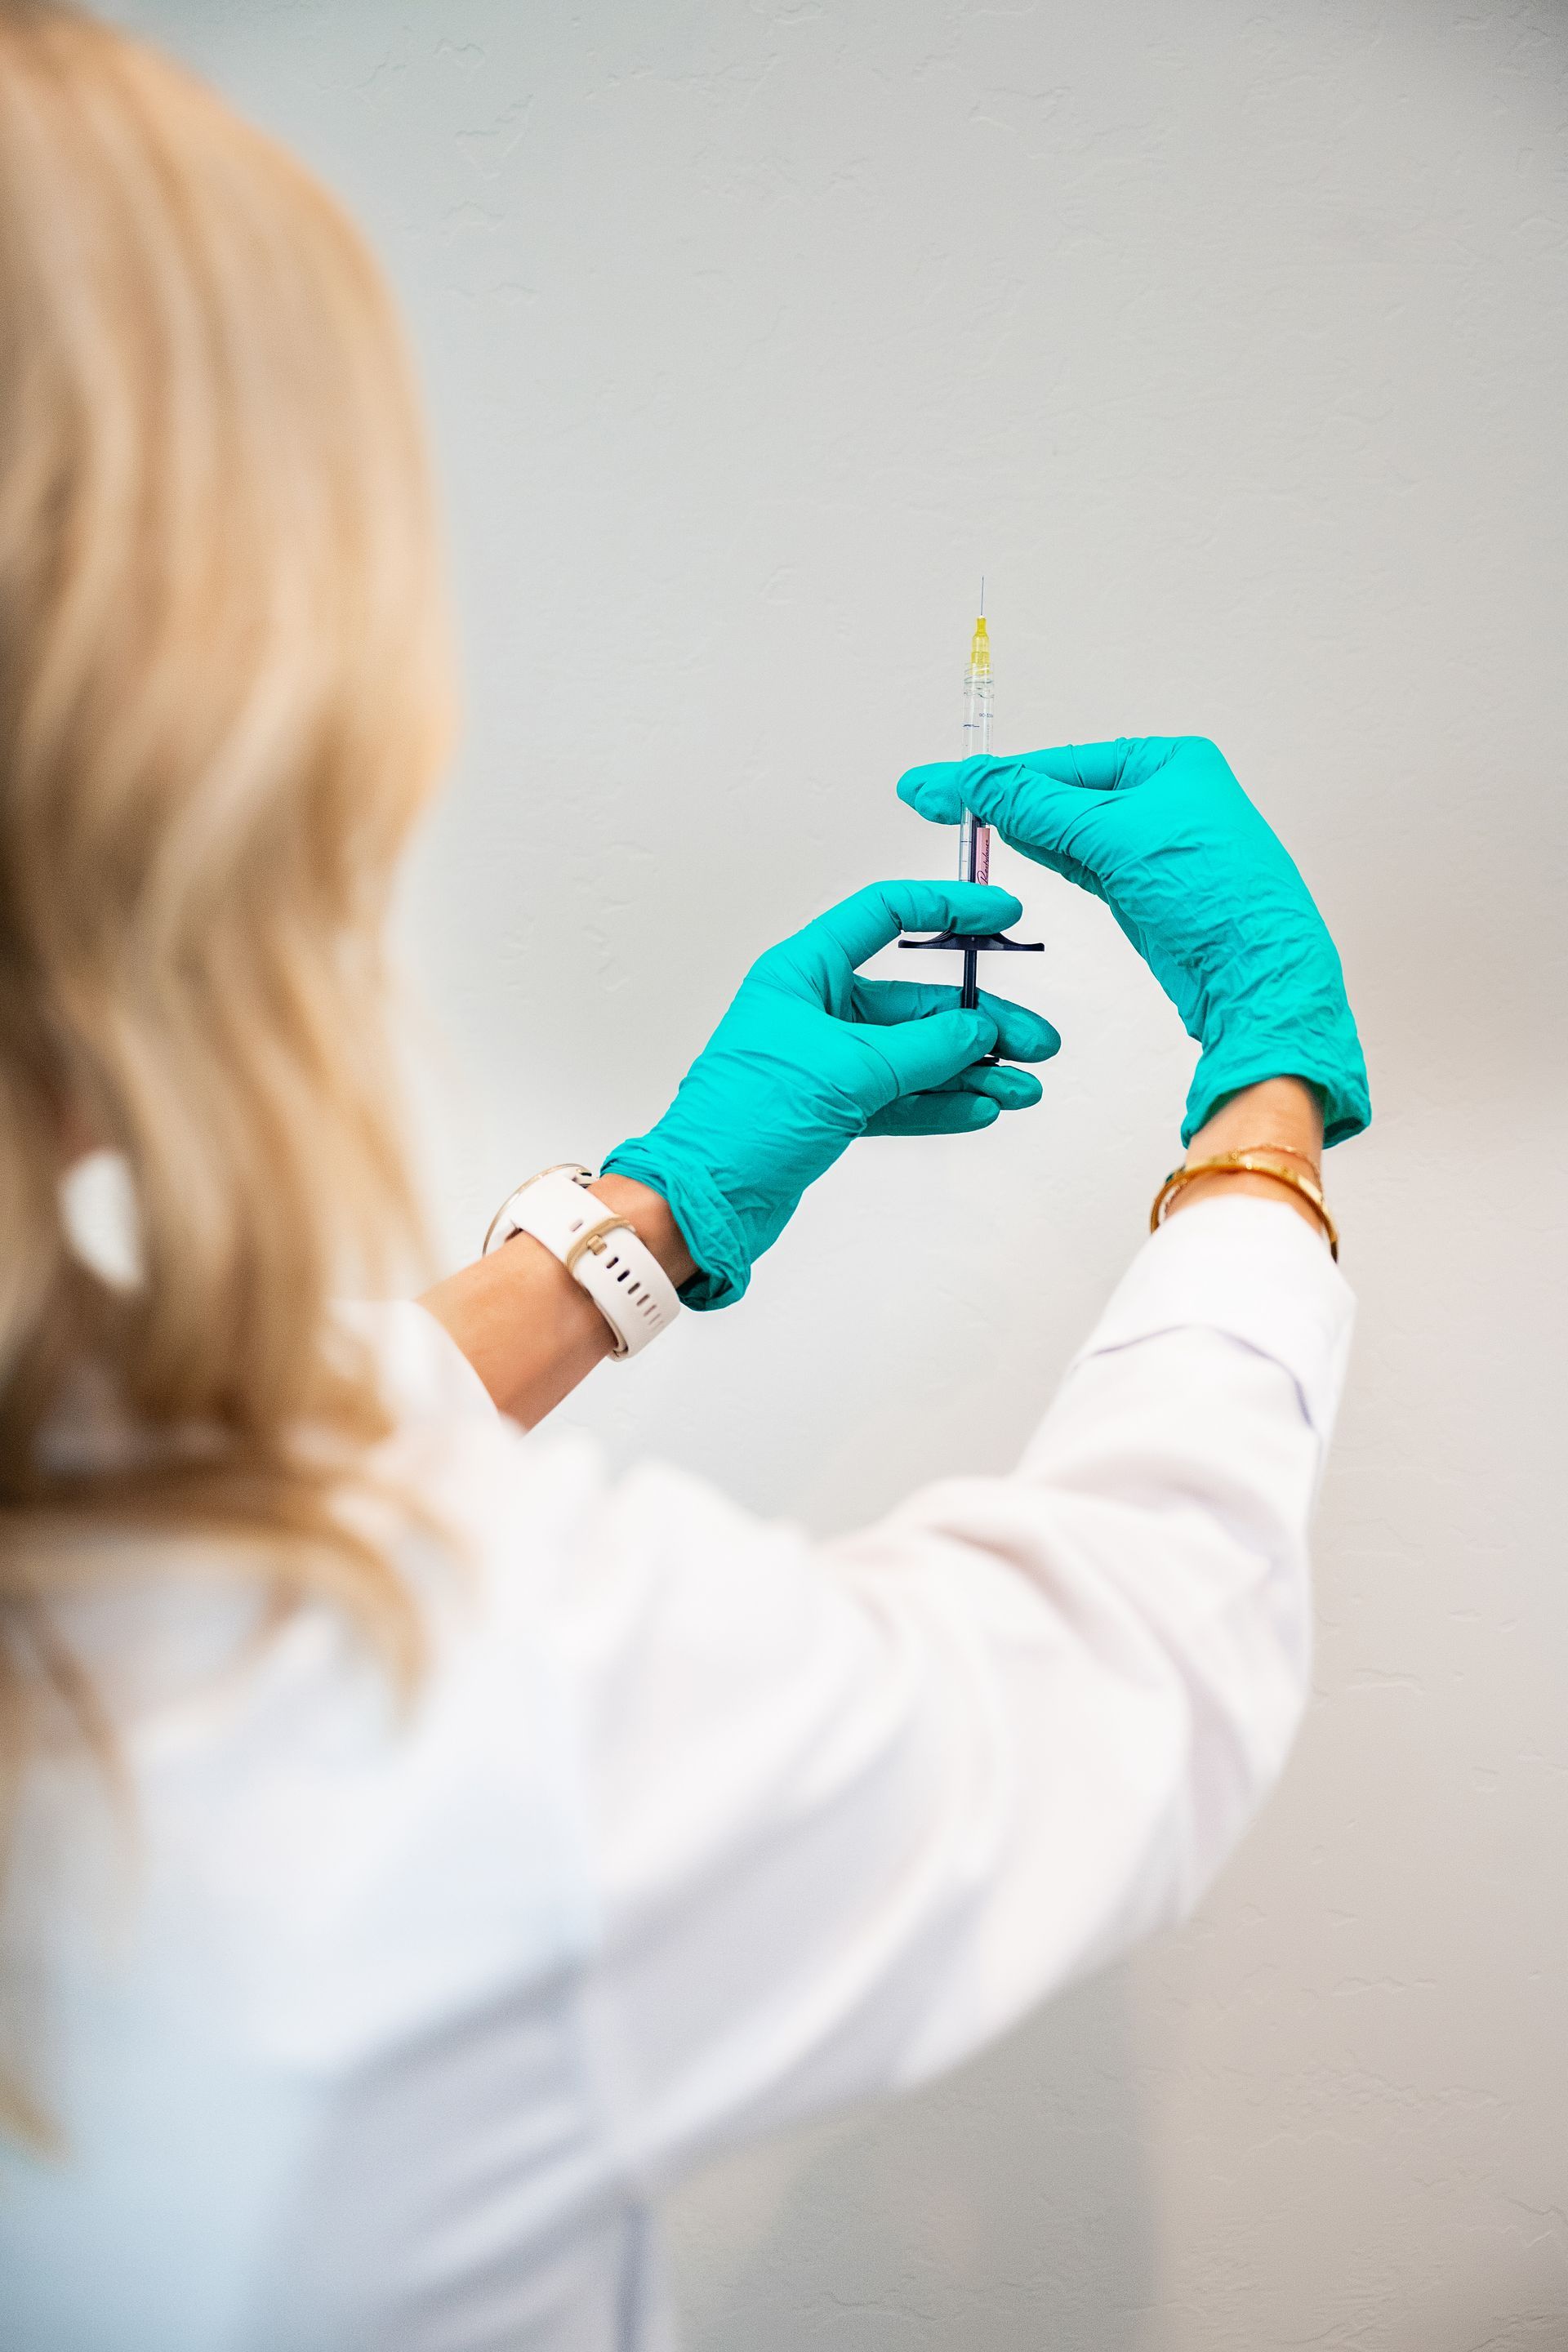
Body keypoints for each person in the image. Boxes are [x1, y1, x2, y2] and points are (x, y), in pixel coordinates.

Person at [0, 8, 1369, 2350]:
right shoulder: (429, 1722)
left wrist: (650, 1212)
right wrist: (1265, 1103)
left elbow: (163, 1509)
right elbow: (1122, 1675)